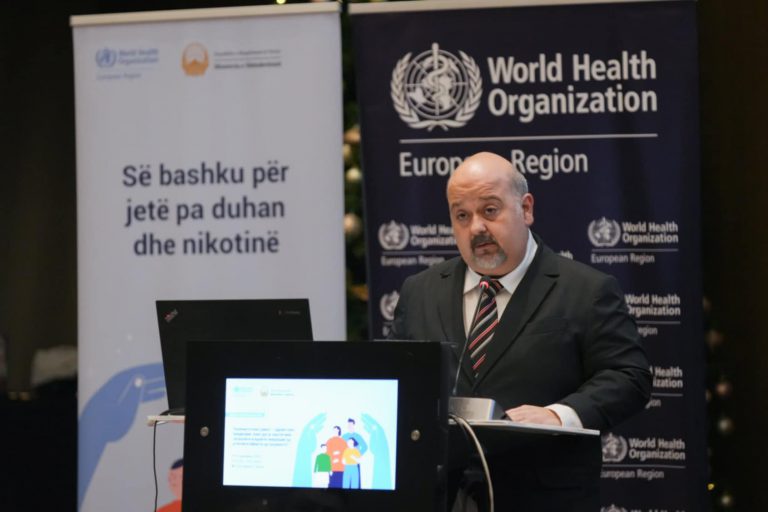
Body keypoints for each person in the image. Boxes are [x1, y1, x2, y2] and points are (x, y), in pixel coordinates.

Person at [389, 152, 651, 511]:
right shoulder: (420, 291)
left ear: (526, 209)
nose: (476, 227)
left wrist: (558, 415)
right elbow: (397, 380)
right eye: (462, 216)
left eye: (490, 210)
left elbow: (629, 376)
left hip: (542, 497)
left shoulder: (586, 290)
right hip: (439, 497)